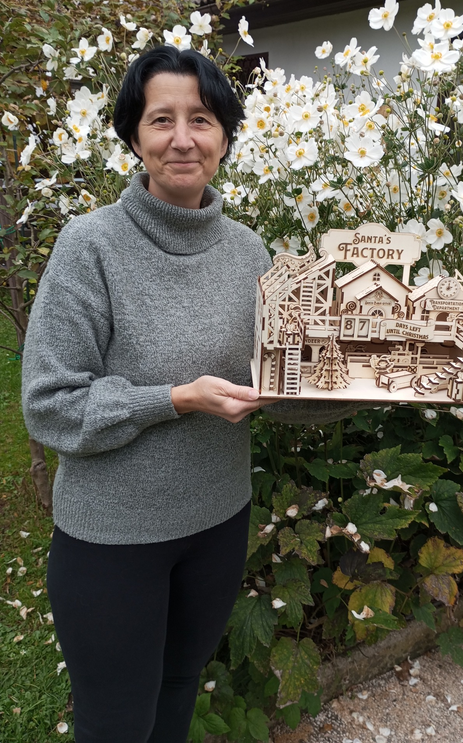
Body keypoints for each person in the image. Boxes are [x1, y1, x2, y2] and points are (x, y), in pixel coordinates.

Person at [21, 46, 356, 743]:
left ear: (225, 134)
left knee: (178, 693)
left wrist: (371, 382)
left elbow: (276, 385)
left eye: (201, 118)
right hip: (113, 542)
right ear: (133, 137)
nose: (182, 138)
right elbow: (49, 402)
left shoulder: (248, 250)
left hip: (217, 522)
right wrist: (173, 398)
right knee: (117, 722)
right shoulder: (91, 246)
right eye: (160, 119)